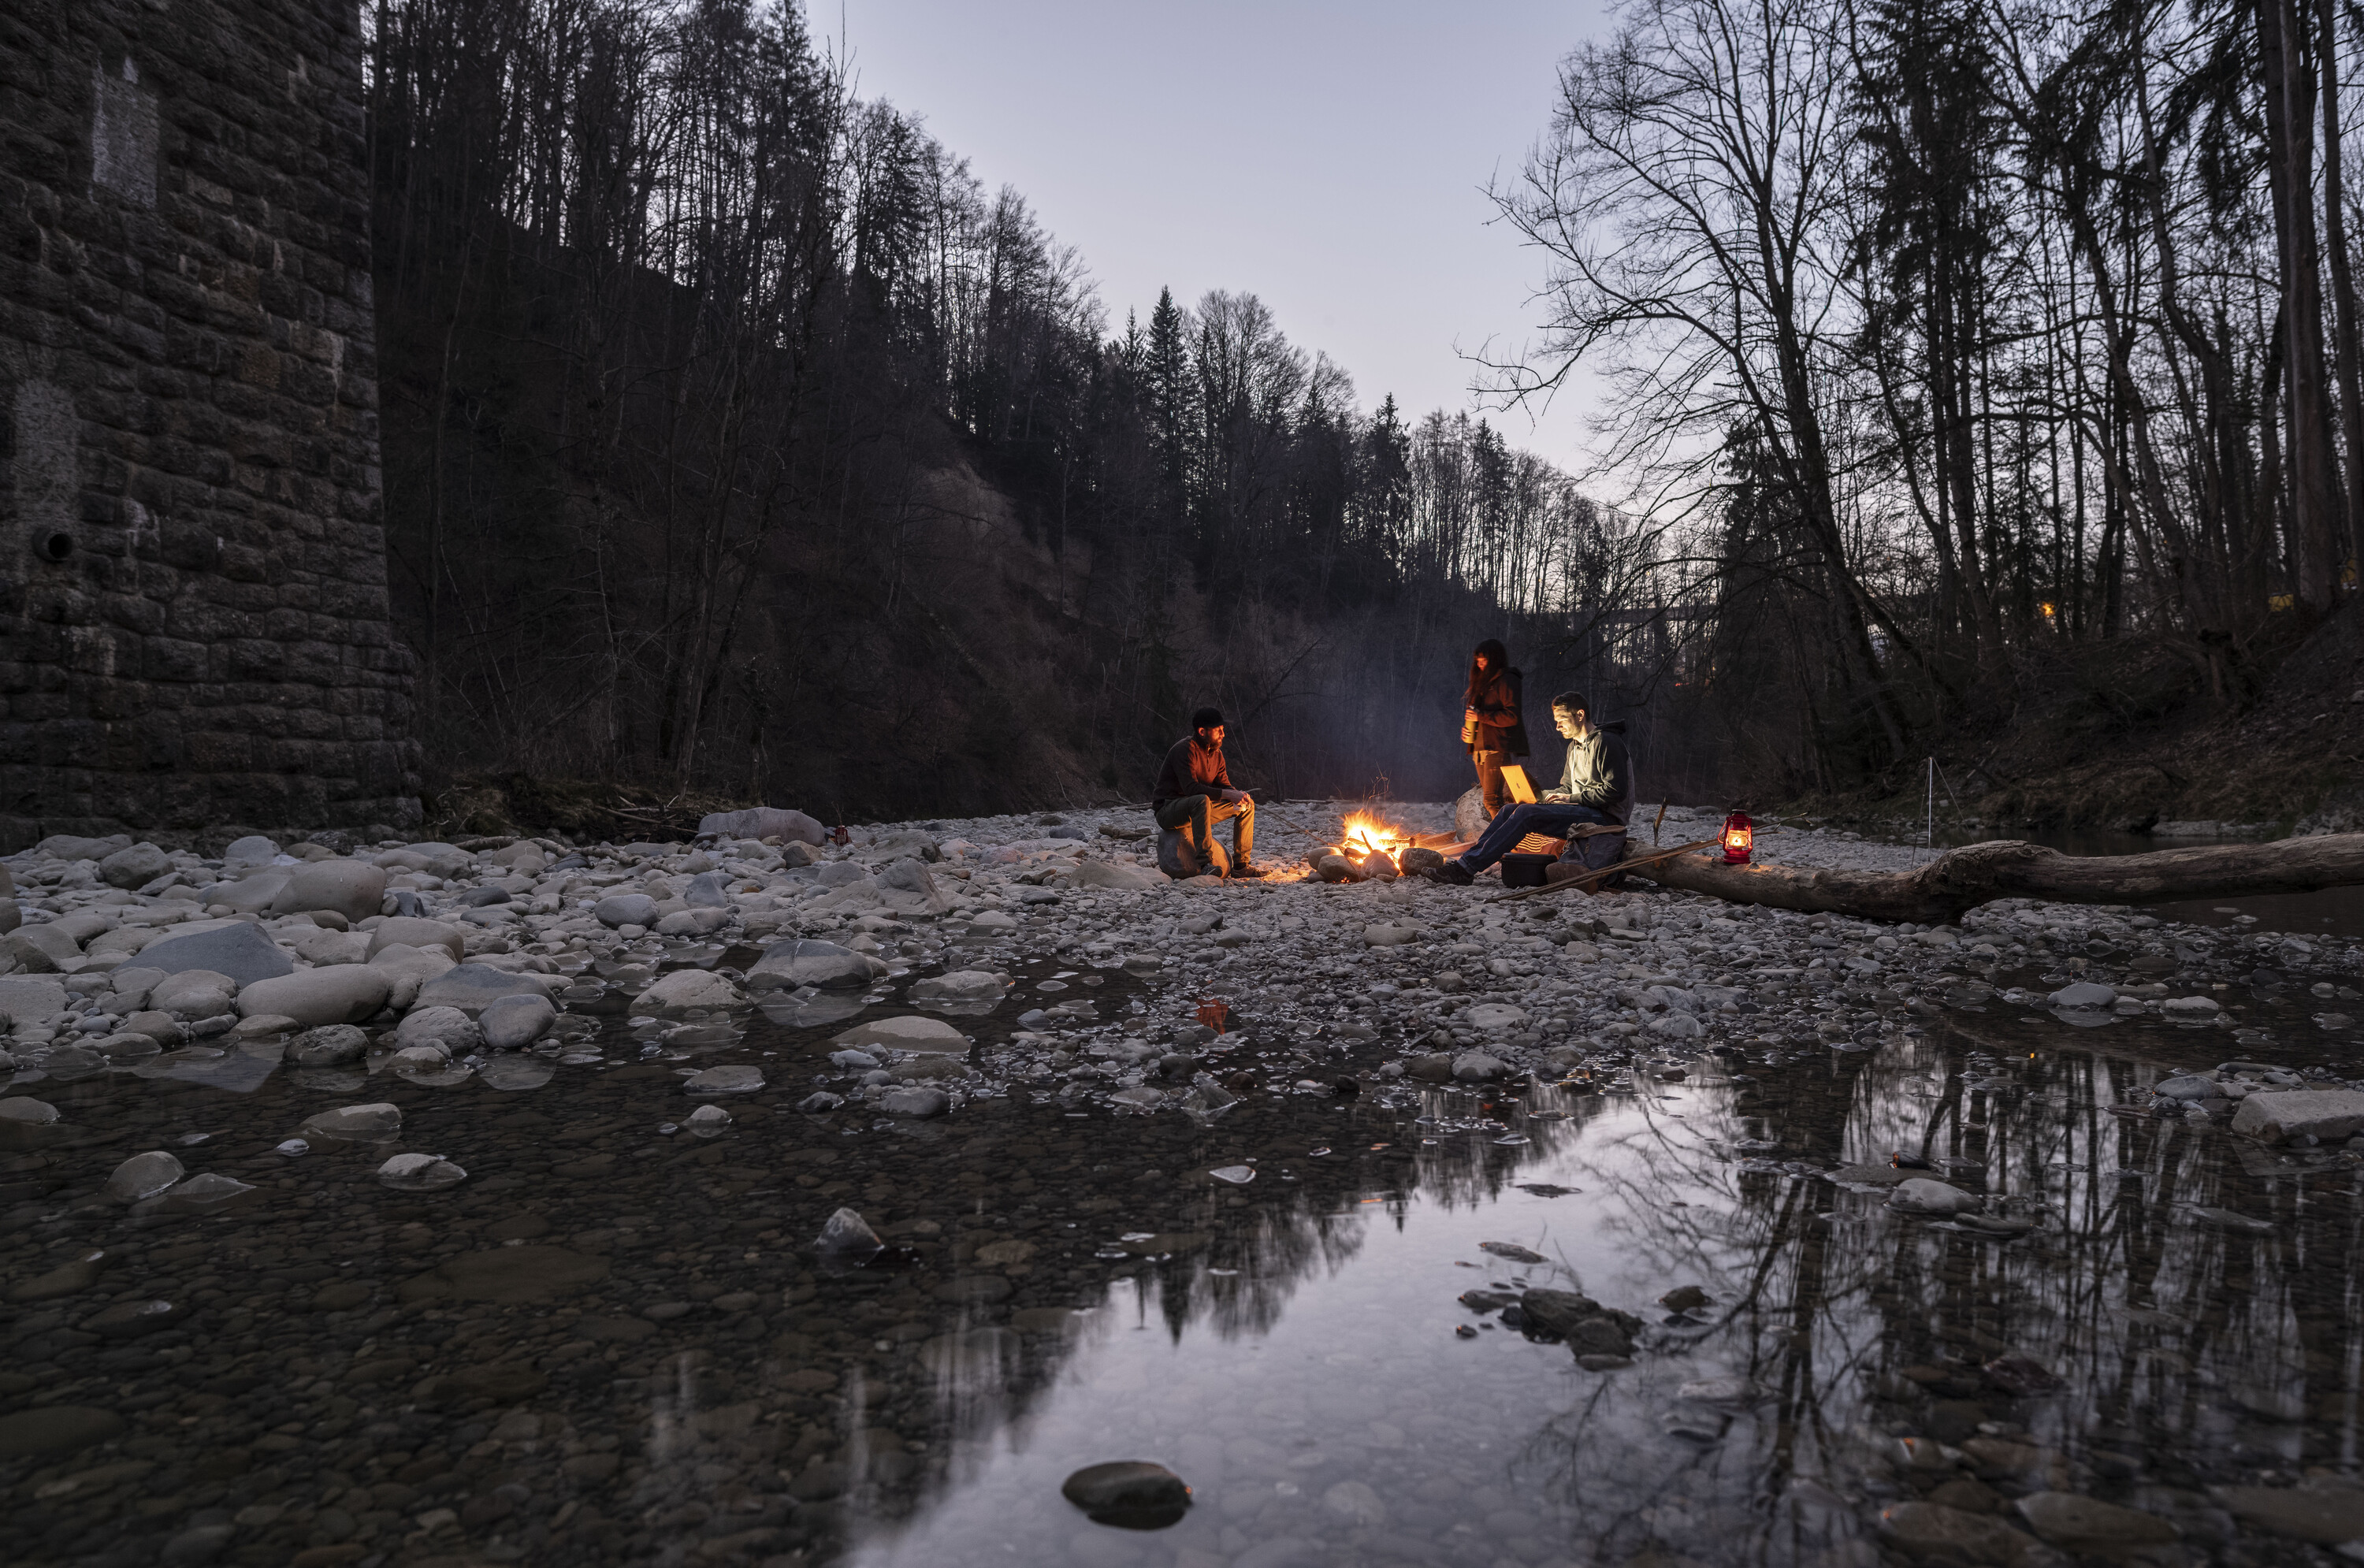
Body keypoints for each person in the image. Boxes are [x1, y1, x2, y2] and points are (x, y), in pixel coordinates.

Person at [1426, 692, 1630, 885]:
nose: (1557, 726)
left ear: (1579, 715)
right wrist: (1538, 797)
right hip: (1584, 811)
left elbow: (1614, 792)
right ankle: (1466, 864)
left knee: (1526, 814)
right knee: (1510, 809)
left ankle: (1465, 869)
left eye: (1561, 720)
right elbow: (1567, 788)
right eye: (1556, 721)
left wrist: (1570, 799)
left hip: (1605, 818)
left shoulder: (1607, 741)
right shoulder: (1574, 748)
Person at [1152, 707, 1266, 879]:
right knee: (1201, 800)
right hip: (1169, 811)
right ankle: (1205, 864)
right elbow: (1191, 789)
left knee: (1246, 807)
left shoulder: (1217, 755)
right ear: (1202, 731)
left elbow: (1225, 786)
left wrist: (1238, 795)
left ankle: (1241, 865)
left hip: (1198, 813)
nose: (1223, 734)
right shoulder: (1184, 750)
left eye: (1223, 730)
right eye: (1218, 731)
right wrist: (1228, 795)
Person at [1463, 639, 1530, 819]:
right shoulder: (1483, 684)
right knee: (1492, 800)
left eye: (1484, 659)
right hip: (1480, 749)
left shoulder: (1507, 679)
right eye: (1478, 659)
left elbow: (1511, 716)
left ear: (1495, 659)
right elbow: (1478, 715)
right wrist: (1470, 733)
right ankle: (1503, 836)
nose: (1480, 663)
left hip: (1496, 748)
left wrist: (1480, 716)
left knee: (1492, 800)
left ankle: (1504, 838)